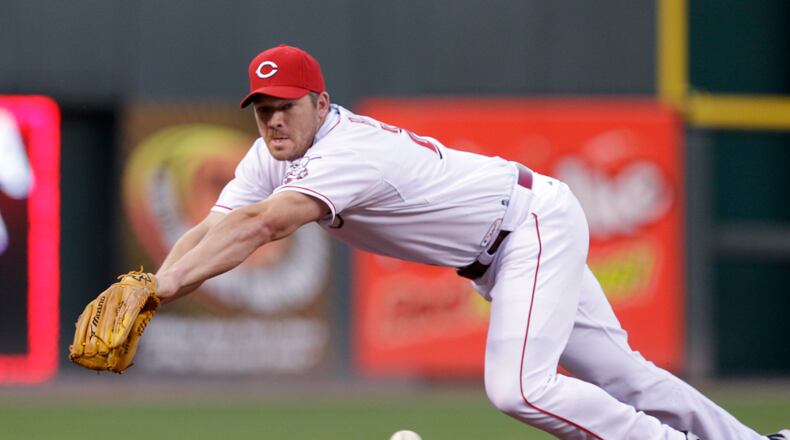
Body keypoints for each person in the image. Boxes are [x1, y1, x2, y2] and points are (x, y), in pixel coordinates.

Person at [152, 44, 787, 440]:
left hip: (529, 225)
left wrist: (168, 287)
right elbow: (217, 225)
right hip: (510, 240)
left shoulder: (348, 150)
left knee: (520, 388)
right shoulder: (273, 154)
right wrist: (154, 287)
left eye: (288, 105)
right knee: (625, 377)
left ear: (322, 103)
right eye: (263, 109)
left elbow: (265, 225)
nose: (275, 120)